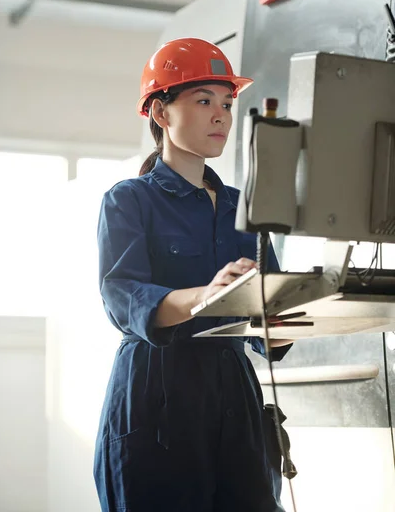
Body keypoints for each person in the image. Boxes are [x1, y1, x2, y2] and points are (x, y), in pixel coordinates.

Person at [94, 37, 293, 512]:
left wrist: (293, 307)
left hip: (234, 399)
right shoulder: (129, 200)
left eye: (226, 103)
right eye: (204, 101)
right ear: (161, 114)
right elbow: (123, 298)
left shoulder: (242, 207)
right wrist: (208, 295)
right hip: (158, 397)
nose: (221, 115)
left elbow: (274, 336)